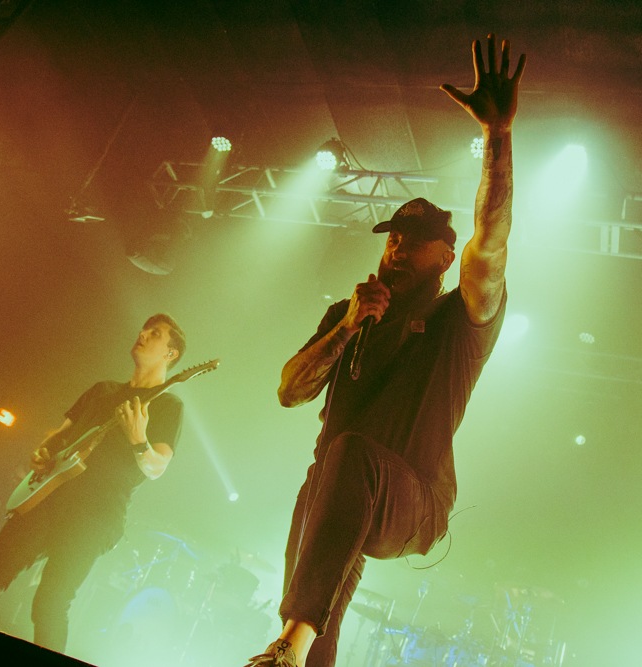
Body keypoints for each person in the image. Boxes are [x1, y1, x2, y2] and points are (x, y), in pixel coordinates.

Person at [246, 34, 526, 667]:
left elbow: (492, 243)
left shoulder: (458, 319)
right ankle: (295, 650)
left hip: (413, 498)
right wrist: (347, 327)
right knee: (309, 613)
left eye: (414, 239)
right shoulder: (350, 313)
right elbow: (289, 391)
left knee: (350, 457)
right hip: (336, 483)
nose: (397, 246)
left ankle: (287, 648)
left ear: (444, 257)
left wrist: (498, 136)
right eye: (393, 236)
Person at [0, 314, 186, 653]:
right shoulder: (103, 390)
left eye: (155, 333)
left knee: (50, 602)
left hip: (96, 515)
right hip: (48, 498)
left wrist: (137, 438)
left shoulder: (168, 405)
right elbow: (58, 437)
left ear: (171, 354)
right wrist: (42, 453)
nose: (143, 334)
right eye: (145, 328)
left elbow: (156, 468)